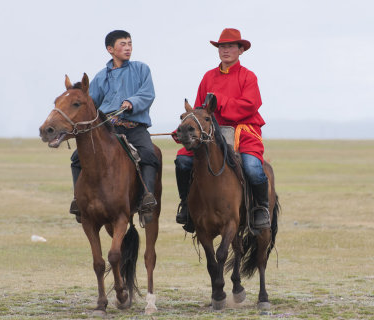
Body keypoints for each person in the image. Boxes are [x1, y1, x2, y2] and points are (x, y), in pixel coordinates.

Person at [174, 28, 270, 230]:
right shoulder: (208, 77)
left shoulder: (248, 77)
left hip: (242, 132)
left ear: (240, 50)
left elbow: (249, 105)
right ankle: (186, 206)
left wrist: (220, 102)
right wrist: (188, 128)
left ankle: (260, 209)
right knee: (183, 161)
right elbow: (199, 109)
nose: (225, 50)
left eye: (230, 46)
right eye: (222, 47)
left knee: (253, 169)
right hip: (210, 134)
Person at [70, 30, 159, 225]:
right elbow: (90, 103)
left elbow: (148, 93)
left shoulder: (141, 69)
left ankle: (147, 198)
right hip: (108, 129)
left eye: (129, 43)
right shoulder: (101, 77)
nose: (128, 48)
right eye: (122, 44)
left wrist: (131, 101)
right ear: (110, 49)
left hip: (134, 127)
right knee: (76, 158)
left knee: (149, 154)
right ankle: (78, 200)